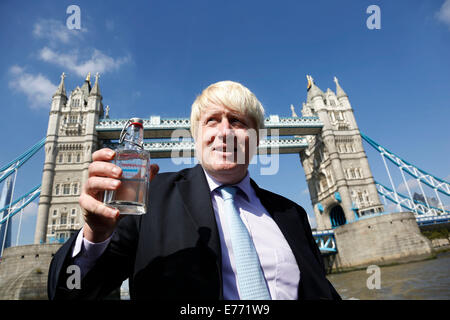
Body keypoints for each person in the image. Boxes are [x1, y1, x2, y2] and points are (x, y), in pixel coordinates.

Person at [48, 80, 341, 300]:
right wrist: (94, 236)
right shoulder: (148, 197)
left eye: (237, 121)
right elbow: (71, 294)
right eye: (212, 120)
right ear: (196, 136)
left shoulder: (292, 214)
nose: (224, 132)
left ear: (257, 139)